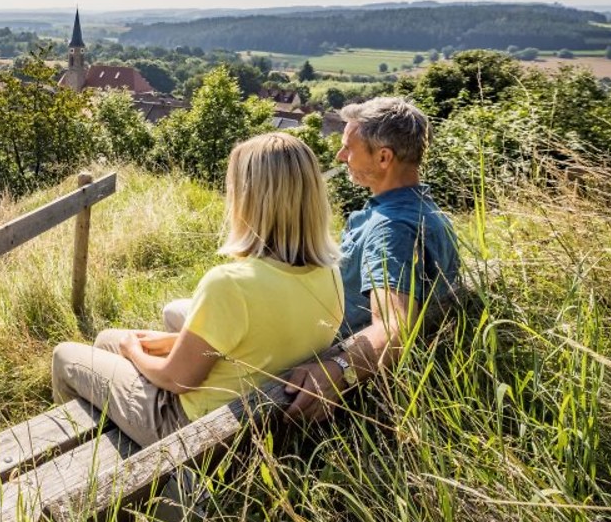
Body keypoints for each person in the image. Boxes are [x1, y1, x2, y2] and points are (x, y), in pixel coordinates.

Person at [50, 133, 344, 448]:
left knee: (65, 355)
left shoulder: (230, 284)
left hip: (191, 431)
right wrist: (176, 342)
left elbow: (175, 380)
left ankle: (79, 455)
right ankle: (116, 424)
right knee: (105, 340)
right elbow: (260, 343)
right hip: (254, 419)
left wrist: (132, 350)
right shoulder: (330, 274)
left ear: (249, 199)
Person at [281, 96, 461, 422]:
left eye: (348, 148)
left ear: (383, 157)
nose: (340, 156)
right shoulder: (428, 212)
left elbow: (396, 325)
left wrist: (339, 368)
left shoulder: (390, 228)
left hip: (322, 374)